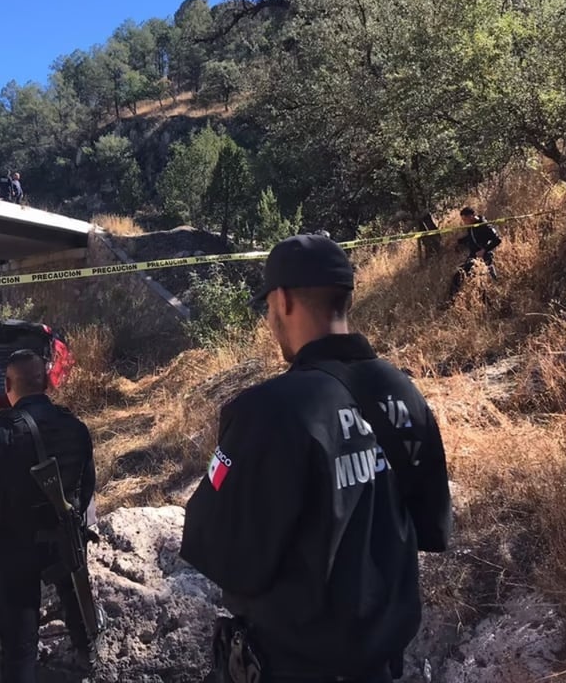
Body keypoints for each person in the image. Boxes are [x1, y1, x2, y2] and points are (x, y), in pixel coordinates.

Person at [181, 233, 452, 683]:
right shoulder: (404, 393)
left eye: (268, 307)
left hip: (293, 665)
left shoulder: (270, 410)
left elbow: (223, 551)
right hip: (380, 665)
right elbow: (432, 525)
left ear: (282, 300)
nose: (270, 319)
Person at [0, 349, 97, 682]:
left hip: (13, 549)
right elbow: (86, 489)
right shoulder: (76, 427)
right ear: (46, 382)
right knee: (84, 628)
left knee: (19, 647)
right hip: (65, 544)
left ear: (7, 384)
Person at [449, 206, 501, 299]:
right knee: (458, 275)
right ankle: (451, 300)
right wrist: (459, 242)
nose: (464, 222)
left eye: (465, 219)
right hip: (473, 257)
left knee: (482, 281)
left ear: (471, 216)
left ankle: (491, 301)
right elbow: (471, 237)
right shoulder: (471, 226)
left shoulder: (484, 225)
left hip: (485, 257)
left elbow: (497, 239)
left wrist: (484, 250)